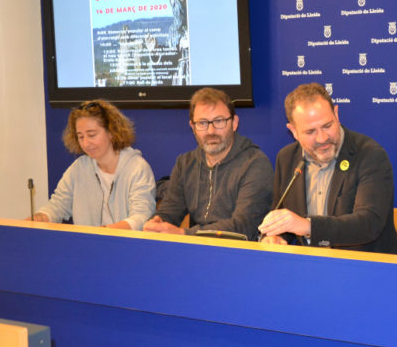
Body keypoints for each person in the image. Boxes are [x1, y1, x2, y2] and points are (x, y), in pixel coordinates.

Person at [258, 83, 397, 253]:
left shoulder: (370, 155)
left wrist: (308, 226)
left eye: (327, 126)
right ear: (293, 131)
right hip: (312, 266)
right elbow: (284, 217)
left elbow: (368, 224)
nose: (322, 138)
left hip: (367, 267)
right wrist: (276, 237)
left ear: (336, 114)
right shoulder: (287, 158)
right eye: (310, 132)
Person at [143, 87, 272, 239]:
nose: (211, 131)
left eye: (219, 121)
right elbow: (170, 210)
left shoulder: (255, 163)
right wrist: (158, 222)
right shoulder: (185, 163)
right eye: (202, 123)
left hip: (239, 252)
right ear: (193, 127)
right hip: (196, 249)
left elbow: (243, 226)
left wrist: (184, 233)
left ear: (234, 123)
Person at [33, 100, 155, 229]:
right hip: (87, 245)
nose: (86, 143)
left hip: (126, 245)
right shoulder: (79, 167)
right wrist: (40, 217)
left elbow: (142, 216)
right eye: (80, 137)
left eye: (92, 135)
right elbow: (57, 206)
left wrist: (107, 232)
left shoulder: (137, 168)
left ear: (112, 132)